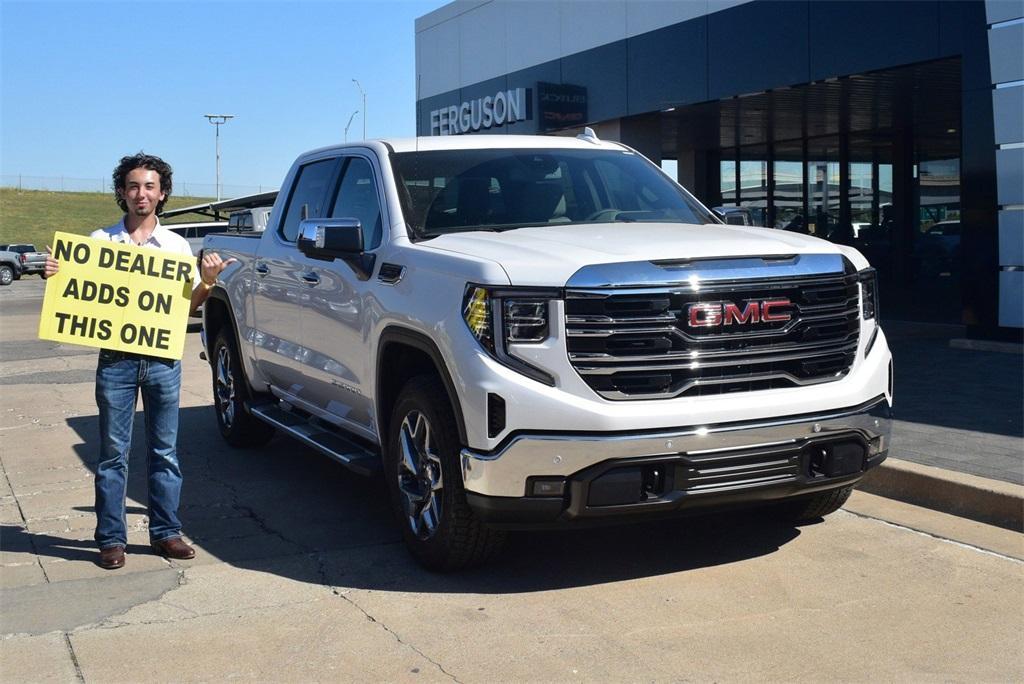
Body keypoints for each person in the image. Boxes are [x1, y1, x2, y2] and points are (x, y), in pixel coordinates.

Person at [44, 152, 234, 570]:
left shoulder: (175, 245)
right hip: (116, 361)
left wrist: (206, 282)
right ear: (122, 193)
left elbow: (186, 307)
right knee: (113, 453)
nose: (141, 193)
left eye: (149, 186)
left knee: (165, 452)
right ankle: (112, 539)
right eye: (133, 186)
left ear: (162, 193)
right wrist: (57, 273)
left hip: (163, 361)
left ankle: (166, 532)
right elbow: (74, 290)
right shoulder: (100, 241)